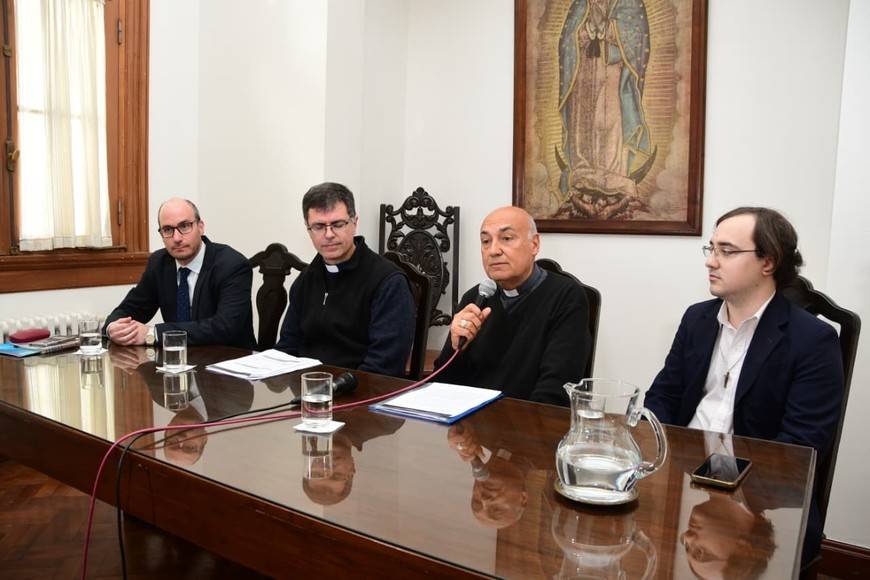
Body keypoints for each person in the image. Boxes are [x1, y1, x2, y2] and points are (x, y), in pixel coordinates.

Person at [644, 206, 844, 567]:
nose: (711, 262)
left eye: (727, 251)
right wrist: (651, 452)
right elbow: (663, 396)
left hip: (762, 500)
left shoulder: (813, 340)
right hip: (681, 478)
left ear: (768, 262)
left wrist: (712, 478)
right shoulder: (697, 318)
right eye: (711, 249)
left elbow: (801, 445)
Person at [433, 206, 590, 407]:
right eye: (486, 241)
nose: (494, 251)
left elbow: (555, 393)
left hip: (527, 426)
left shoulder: (566, 297)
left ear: (534, 245)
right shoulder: (476, 298)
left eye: (506, 239)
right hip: (470, 425)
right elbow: (442, 386)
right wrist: (456, 348)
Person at [275, 182, 415, 377]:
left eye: (337, 224)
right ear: (308, 229)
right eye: (319, 226)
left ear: (354, 222)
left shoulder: (388, 282)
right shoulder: (306, 279)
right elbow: (286, 349)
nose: (329, 234)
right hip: (307, 390)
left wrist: (332, 390)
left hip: (360, 394)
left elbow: (383, 368)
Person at [104, 198, 256, 350]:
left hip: (229, 361)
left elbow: (224, 327)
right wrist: (113, 328)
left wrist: (153, 333)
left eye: (184, 226)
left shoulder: (232, 265)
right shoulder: (159, 262)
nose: (177, 238)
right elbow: (131, 308)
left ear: (200, 227)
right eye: (168, 230)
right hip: (178, 362)